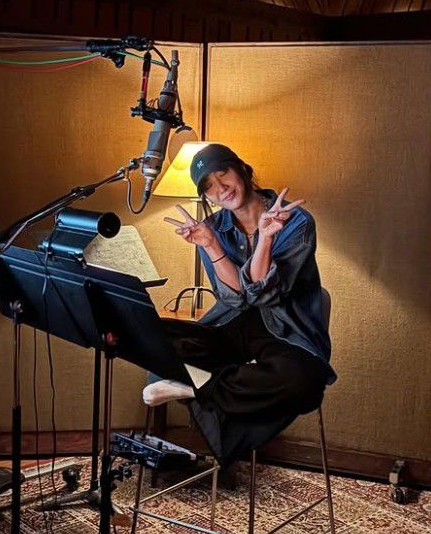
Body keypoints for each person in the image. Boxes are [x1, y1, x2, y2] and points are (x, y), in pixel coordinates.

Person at [143, 143, 336, 465]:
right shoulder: (212, 229)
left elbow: (264, 296)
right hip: (235, 323)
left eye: (223, 174)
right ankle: (222, 385)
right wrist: (211, 244)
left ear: (242, 169)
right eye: (209, 186)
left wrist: (266, 238)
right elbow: (234, 298)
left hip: (284, 328)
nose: (220, 188)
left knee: (304, 384)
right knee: (155, 339)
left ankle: (196, 388)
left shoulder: (297, 221)